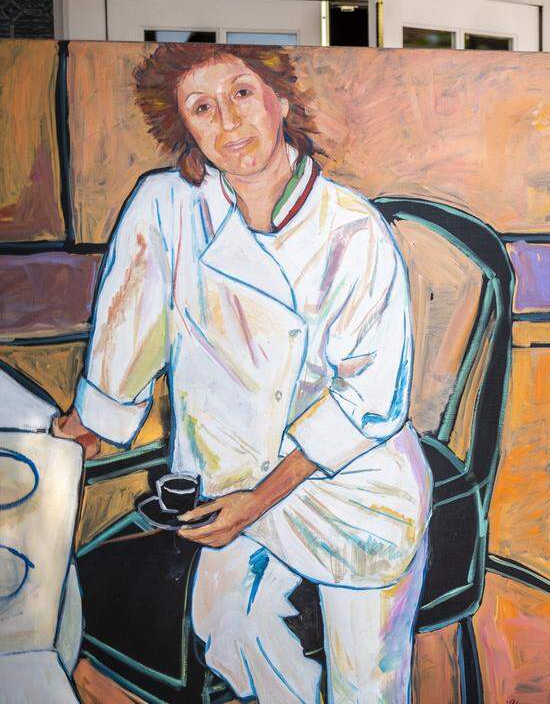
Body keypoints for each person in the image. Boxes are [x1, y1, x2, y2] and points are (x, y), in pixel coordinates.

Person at [51, 43, 431, 703]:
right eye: (202, 107)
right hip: (227, 478)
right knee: (227, 628)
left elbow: (369, 400)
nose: (228, 122)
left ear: (279, 100)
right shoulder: (165, 206)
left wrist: (260, 499)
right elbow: (127, 334)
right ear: (186, 129)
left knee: (364, 682)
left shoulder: (352, 230)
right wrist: (87, 427)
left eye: (242, 94)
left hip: (350, 487)